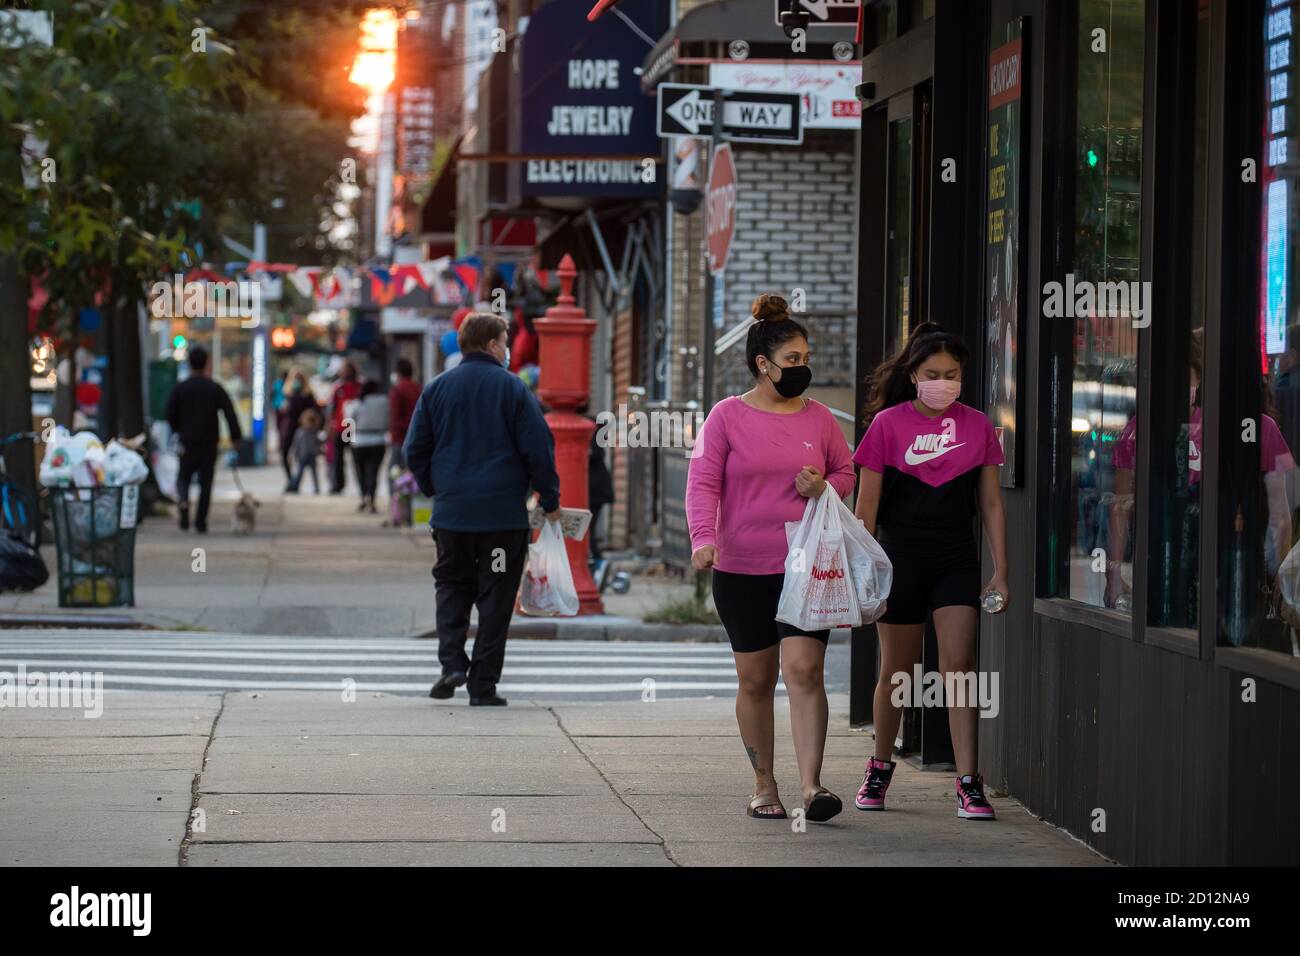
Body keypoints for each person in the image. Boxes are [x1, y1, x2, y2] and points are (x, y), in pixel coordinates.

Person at [684, 294, 855, 822]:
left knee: (804, 671)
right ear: (764, 364)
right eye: (793, 360)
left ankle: (812, 787)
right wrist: (703, 538)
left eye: (806, 358)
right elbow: (702, 482)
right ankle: (764, 784)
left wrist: (825, 486)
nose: (803, 368)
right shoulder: (726, 417)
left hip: (807, 567)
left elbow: (846, 472)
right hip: (741, 568)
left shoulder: (819, 417)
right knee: (756, 680)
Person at [851, 322, 1008, 820]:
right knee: (896, 672)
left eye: (952, 374)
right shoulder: (886, 425)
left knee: (958, 666)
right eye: (933, 374)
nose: (943, 382)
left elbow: (991, 504)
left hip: (956, 557)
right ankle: (879, 767)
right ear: (914, 375)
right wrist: (862, 568)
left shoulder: (978, 426)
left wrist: (1001, 571)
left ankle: (969, 783)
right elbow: (866, 506)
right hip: (899, 557)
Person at [404, 312, 562, 706]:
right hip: (501, 520)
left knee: (452, 585)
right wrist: (550, 499)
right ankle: (482, 685)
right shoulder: (515, 390)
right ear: (492, 345)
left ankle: (452, 663)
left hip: (453, 518)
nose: (507, 350)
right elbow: (539, 449)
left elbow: (414, 450)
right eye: (505, 342)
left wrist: (437, 489)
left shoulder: (436, 389)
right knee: (496, 596)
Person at [164, 346, 243, 534]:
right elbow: (229, 412)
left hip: (187, 441)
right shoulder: (214, 388)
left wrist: (178, 429)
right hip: (209, 442)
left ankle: (184, 501)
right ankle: (200, 521)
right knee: (205, 483)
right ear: (206, 363)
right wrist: (236, 437)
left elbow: (169, 413)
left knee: (184, 477)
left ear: (189, 363)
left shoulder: (181, 388)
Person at [347, 379, 389, 514]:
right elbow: (388, 419)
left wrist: (347, 439)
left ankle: (364, 497)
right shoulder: (384, 401)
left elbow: (348, 420)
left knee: (360, 472)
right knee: (374, 472)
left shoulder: (357, 403)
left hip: (359, 441)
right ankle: (372, 499)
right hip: (378, 440)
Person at [278, 370, 319, 489]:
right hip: (289, 429)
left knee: (303, 458)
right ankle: (291, 481)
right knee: (285, 455)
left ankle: (295, 483)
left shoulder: (308, 396)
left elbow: (314, 413)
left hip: (304, 430)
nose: (297, 381)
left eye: (299, 378)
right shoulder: (288, 395)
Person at [327, 360, 361, 494]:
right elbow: (332, 408)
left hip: (354, 426)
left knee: (357, 458)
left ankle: (361, 485)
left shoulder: (359, 386)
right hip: (341, 427)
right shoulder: (338, 387)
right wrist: (330, 425)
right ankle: (338, 485)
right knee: (338, 458)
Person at [288, 407, 324, 494]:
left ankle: (316, 488)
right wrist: (293, 454)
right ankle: (294, 487)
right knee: (299, 473)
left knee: (314, 473)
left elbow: (318, 442)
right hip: (302, 456)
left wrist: (319, 450)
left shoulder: (314, 432)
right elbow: (296, 445)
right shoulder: (300, 432)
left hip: (312, 455)